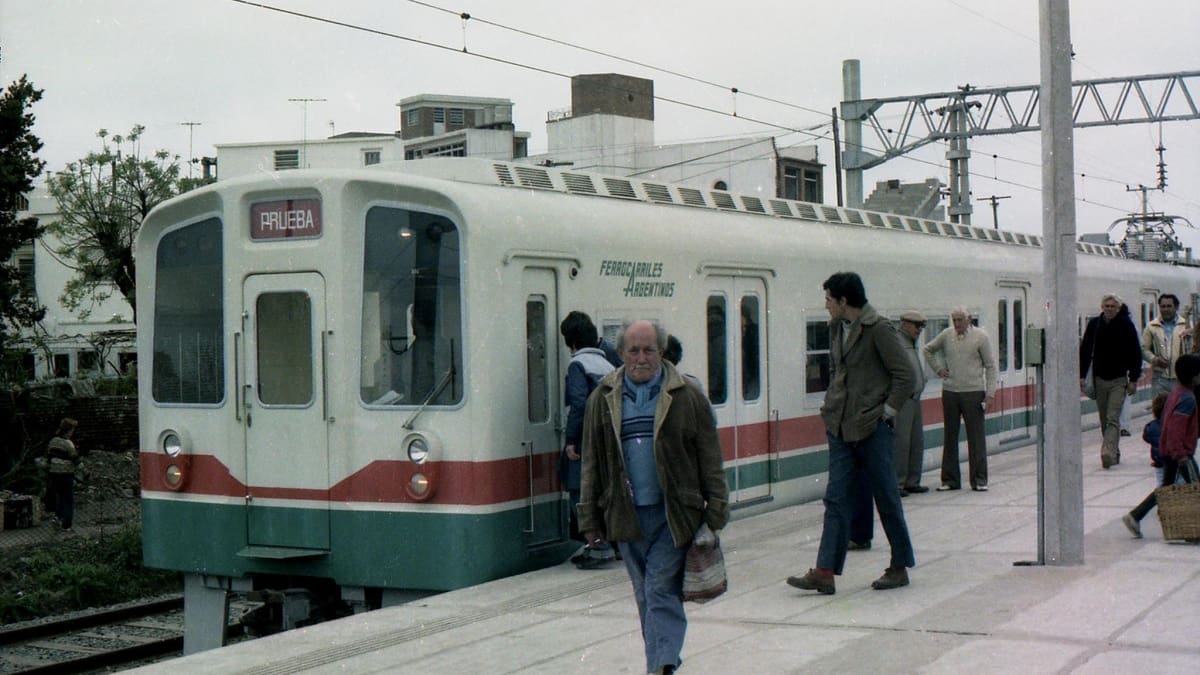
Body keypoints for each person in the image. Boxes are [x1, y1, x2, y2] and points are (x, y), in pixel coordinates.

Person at [579, 320, 729, 675]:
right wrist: (588, 518)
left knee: (659, 589)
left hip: (673, 514)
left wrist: (716, 509)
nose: (641, 358)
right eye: (634, 350)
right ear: (620, 353)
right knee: (645, 593)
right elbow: (591, 462)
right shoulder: (602, 399)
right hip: (625, 514)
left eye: (649, 350)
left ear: (662, 352)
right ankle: (661, 660)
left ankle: (661, 666)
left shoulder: (687, 396)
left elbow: (710, 456)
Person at [786, 271, 915, 596]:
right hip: (840, 427)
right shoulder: (836, 327)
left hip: (872, 428)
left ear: (844, 301)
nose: (825, 305)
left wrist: (887, 412)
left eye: (829, 299)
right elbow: (837, 370)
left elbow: (906, 375)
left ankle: (900, 565)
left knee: (886, 496)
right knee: (836, 499)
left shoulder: (879, 329)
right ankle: (825, 572)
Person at [844, 310, 930, 551]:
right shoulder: (895, 341)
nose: (919, 330)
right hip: (899, 403)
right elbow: (900, 374)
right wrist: (891, 407)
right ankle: (900, 482)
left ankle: (911, 480)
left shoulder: (910, 343)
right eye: (916, 326)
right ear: (904, 324)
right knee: (900, 443)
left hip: (912, 399)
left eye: (922, 327)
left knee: (915, 441)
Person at [559, 311, 617, 569]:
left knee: (577, 490)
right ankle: (609, 542)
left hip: (584, 439)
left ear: (571, 342)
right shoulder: (608, 365)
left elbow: (578, 404)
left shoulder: (578, 365)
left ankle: (596, 545)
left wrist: (571, 439)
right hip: (607, 438)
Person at [1121, 354, 1200, 538]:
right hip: (1180, 454)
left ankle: (1135, 516)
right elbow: (1175, 429)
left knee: (1165, 488)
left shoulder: (1176, 393)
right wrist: (1181, 455)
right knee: (1196, 488)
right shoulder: (1188, 399)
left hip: (1169, 451)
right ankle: (1191, 526)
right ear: (1194, 377)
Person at [923, 307, 998, 491]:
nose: (956, 324)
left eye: (960, 320)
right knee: (950, 435)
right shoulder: (946, 335)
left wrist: (990, 394)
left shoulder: (981, 337)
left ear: (969, 319)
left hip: (973, 392)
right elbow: (927, 350)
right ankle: (950, 480)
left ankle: (979, 480)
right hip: (950, 392)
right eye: (954, 320)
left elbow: (990, 366)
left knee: (976, 437)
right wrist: (939, 369)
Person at [1079, 293, 1143, 469]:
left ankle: (1107, 451)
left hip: (1119, 380)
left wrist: (1133, 379)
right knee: (1104, 419)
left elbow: (1135, 353)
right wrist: (1082, 375)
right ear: (1102, 307)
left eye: (1112, 306)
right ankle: (1114, 450)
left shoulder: (1126, 325)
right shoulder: (1095, 325)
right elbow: (1085, 350)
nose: (1109, 309)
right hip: (1099, 379)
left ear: (1118, 308)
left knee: (1112, 417)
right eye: (1106, 306)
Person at [1142, 293, 1192, 397]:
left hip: (1182, 378)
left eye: (1169, 306)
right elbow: (1143, 349)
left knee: (1180, 406)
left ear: (1176, 307)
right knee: (1161, 406)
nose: (1165, 309)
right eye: (1163, 306)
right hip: (1160, 379)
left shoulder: (1187, 325)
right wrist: (1155, 359)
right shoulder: (1151, 326)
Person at [46, 417, 80, 530]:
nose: (72, 433)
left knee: (60, 497)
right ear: (68, 430)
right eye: (72, 430)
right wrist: (85, 472)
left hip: (54, 474)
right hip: (66, 474)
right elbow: (75, 459)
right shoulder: (68, 444)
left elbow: (48, 456)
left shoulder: (53, 441)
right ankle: (67, 525)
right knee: (68, 500)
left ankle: (57, 517)